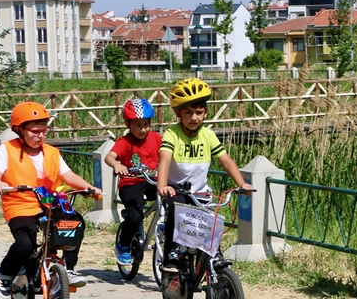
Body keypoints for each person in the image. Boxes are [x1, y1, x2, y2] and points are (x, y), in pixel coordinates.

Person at [0, 102, 101, 298]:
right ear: (19, 130)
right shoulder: (8, 150)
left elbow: (69, 175)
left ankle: (68, 268)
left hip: (51, 202)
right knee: (25, 244)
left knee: (75, 223)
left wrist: (87, 187)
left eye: (44, 131)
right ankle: (4, 274)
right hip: (20, 204)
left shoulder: (52, 152)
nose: (40, 135)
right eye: (34, 131)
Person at [155, 78, 251, 266]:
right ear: (178, 113)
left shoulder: (208, 135)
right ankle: (171, 252)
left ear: (206, 112)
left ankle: (212, 255)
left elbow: (226, 161)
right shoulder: (172, 134)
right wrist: (163, 185)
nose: (194, 117)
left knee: (209, 222)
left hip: (200, 191)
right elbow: (164, 159)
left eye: (199, 112)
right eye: (188, 113)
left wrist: (241, 183)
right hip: (176, 189)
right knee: (176, 212)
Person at [105, 97, 162, 272]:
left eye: (146, 124)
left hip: (153, 180)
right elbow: (109, 157)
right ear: (128, 124)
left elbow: (166, 154)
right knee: (135, 216)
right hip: (131, 182)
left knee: (172, 202)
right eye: (137, 125)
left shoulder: (156, 137)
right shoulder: (125, 142)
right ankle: (123, 244)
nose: (143, 129)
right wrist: (117, 165)